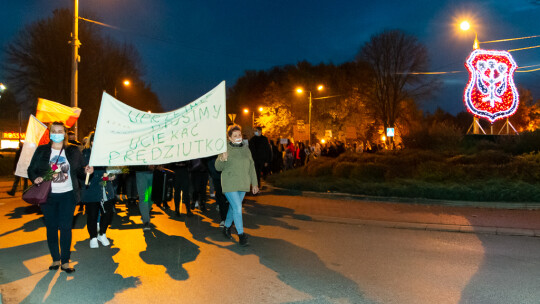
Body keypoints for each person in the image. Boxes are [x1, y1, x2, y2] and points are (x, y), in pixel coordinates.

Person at [27, 121, 88, 273]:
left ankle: (65, 261)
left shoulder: (73, 151)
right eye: (54, 131)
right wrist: (35, 178)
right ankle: (55, 259)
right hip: (48, 196)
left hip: (68, 195)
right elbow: (31, 169)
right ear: (50, 134)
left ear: (65, 134)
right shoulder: (42, 151)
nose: (57, 133)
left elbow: (80, 172)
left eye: (60, 131)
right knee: (52, 228)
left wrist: (87, 170)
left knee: (66, 228)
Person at [215, 125, 258, 246]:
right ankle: (241, 235)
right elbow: (217, 168)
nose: (238, 137)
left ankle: (227, 227)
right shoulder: (225, 149)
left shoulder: (246, 149)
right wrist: (222, 159)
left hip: (243, 183)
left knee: (233, 208)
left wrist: (254, 183)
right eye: (235, 136)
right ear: (229, 138)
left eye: (239, 135)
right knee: (238, 208)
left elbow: (251, 166)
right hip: (230, 183)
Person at [81, 132, 116, 248]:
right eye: (94, 140)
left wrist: (112, 175)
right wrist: (85, 171)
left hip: (106, 188)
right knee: (92, 214)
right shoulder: (85, 153)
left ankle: (102, 233)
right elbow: (81, 172)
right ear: (91, 141)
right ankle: (93, 237)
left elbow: (113, 171)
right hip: (91, 188)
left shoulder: (108, 154)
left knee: (107, 213)